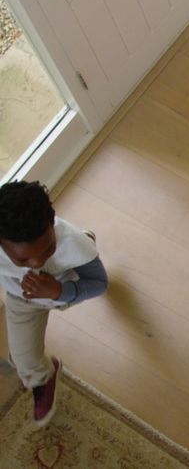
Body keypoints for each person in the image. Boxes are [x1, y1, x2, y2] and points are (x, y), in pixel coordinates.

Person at [0, 181, 108, 427]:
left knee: (78, 247)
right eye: (23, 259)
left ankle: (85, 241)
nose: (37, 263)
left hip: (64, 288)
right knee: (23, 360)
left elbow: (99, 284)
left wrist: (59, 291)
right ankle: (44, 376)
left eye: (48, 247)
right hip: (22, 299)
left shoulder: (68, 243)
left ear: (52, 222)